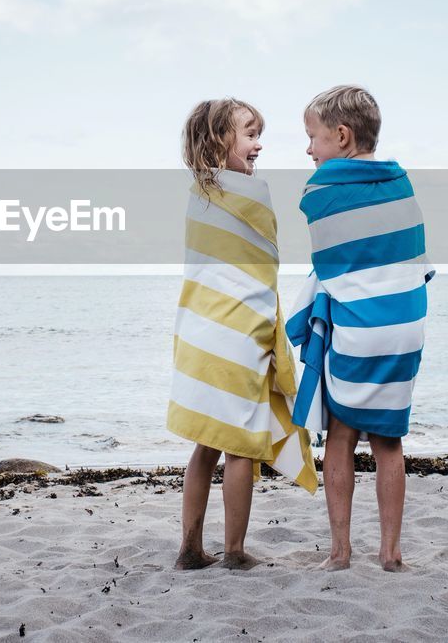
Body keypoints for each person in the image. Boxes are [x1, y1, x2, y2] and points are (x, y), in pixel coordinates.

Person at [288, 85, 434, 571]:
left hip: (359, 329)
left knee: (342, 438)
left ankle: (340, 552)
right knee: (390, 441)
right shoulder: (402, 183)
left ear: (343, 137)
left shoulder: (321, 191)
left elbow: (331, 265)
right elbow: (411, 255)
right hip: (405, 326)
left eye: (313, 138)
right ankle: (391, 555)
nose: (309, 150)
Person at [168, 98, 317, 571]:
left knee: (204, 443)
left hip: (198, 332)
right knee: (239, 446)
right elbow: (262, 267)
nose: (259, 144)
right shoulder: (253, 194)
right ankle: (233, 552)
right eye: (249, 134)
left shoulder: (198, 194)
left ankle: (190, 549)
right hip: (237, 333)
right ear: (218, 141)